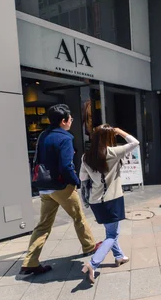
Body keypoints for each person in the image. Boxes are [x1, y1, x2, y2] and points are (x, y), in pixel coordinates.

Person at [21, 104, 100, 275]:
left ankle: (30, 261)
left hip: (44, 187)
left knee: (43, 225)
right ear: (63, 121)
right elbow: (66, 166)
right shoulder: (65, 138)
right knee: (78, 217)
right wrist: (76, 181)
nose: (71, 120)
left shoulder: (43, 135)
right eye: (70, 118)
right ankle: (89, 246)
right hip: (61, 186)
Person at [80, 125, 139, 283]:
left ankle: (119, 256)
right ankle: (93, 264)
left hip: (95, 200)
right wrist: (119, 131)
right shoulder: (113, 152)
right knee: (112, 234)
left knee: (110, 232)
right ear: (108, 138)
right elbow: (134, 143)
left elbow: (83, 179)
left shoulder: (86, 157)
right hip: (112, 199)